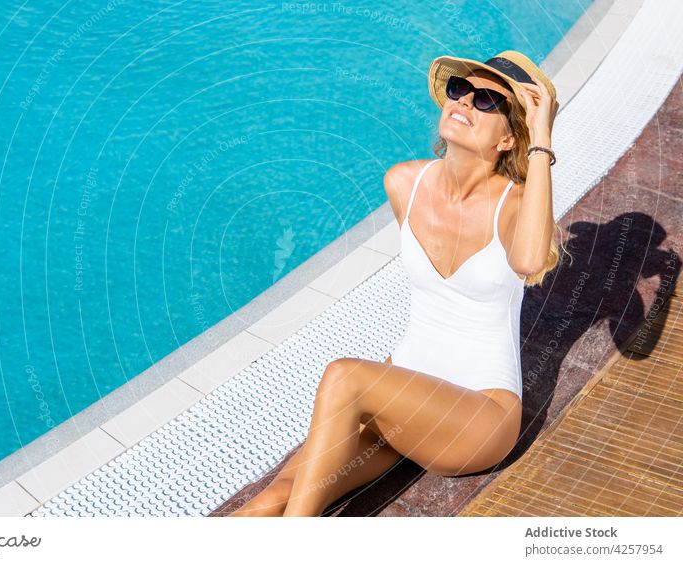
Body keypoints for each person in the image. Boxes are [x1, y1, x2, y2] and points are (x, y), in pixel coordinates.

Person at [230, 50, 565, 517]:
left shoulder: (517, 203)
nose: (465, 101)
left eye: (487, 100)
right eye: (459, 90)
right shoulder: (404, 183)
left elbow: (530, 260)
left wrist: (543, 135)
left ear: (509, 139)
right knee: (274, 497)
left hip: (479, 418)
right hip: (405, 402)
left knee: (344, 376)